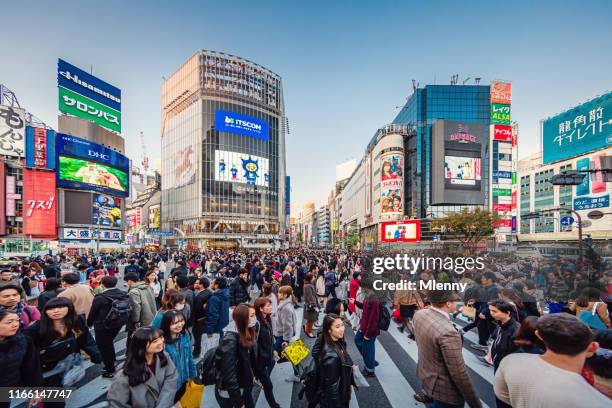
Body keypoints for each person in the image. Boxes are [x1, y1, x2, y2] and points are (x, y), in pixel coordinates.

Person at [494, 313, 609, 408]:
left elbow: (501, 395)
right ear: (593, 347)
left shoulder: (511, 362)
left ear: (539, 335)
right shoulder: (600, 402)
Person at [24, 297, 101, 408]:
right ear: (45, 311)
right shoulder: (36, 329)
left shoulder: (77, 321)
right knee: (55, 402)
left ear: (69, 308)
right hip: (47, 370)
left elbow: (85, 339)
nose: (56, 311)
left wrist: (95, 354)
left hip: (69, 363)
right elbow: (27, 354)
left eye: (60, 307)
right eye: (51, 308)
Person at [413, 290, 482, 408]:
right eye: (456, 301)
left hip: (426, 372)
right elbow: (459, 372)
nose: (458, 304)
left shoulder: (420, 314)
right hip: (445, 389)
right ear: (448, 303)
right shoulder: (448, 332)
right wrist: (475, 403)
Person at [107, 327, 178, 408]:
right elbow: (117, 404)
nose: (161, 342)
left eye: (161, 337)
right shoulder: (123, 377)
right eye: (155, 341)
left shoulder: (164, 356)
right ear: (141, 346)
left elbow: (171, 379)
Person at [214, 303, 257, 408]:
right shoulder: (230, 341)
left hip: (243, 385)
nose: (255, 318)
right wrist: (238, 403)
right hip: (230, 393)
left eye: (254, 314)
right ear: (242, 319)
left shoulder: (246, 331)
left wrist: (251, 376)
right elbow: (230, 376)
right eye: (251, 316)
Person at [87, 276, 131, 378]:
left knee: (104, 347)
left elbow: (93, 313)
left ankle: (110, 369)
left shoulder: (100, 298)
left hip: (103, 326)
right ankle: (112, 360)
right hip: (118, 323)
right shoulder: (123, 294)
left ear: (102, 284)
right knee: (108, 343)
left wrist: (89, 324)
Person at [0, 310, 43, 408]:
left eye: (17, 320)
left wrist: (36, 391)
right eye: (9, 322)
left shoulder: (23, 340)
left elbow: (31, 367)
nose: (15, 324)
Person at [318, 314, 355, 408]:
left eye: (342, 325)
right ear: (329, 330)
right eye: (337, 327)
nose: (342, 329)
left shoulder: (337, 340)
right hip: (337, 399)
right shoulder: (331, 355)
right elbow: (331, 387)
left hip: (341, 389)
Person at [160, 310, 197, 403]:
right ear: (167, 324)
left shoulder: (185, 335)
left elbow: (189, 356)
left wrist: (193, 374)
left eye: (181, 321)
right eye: (175, 323)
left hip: (184, 378)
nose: (180, 325)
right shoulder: (162, 343)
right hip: (170, 385)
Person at [253, 297, 281, 408]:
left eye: (271, 305)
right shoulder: (256, 324)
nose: (271, 307)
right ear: (260, 308)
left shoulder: (267, 319)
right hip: (257, 362)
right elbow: (253, 345)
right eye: (268, 306)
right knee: (267, 385)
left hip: (264, 359)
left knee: (264, 385)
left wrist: (273, 350)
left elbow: (269, 338)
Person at [353, 275, 380, 377]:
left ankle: (370, 370)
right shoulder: (368, 296)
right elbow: (364, 308)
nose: (361, 288)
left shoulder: (373, 299)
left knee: (368, 347)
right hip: (364, 326)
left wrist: (368, 333)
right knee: (358, 341)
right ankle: (371, 361)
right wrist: (355, 302)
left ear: (366, 287)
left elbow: (373, 319)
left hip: (369, 329)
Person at [487, 300, 520, 374]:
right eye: (490, 310)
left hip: (505, 367)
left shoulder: (515, 330)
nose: (491, 313)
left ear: (508, 313)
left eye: (494, 311)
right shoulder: (500, 323)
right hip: (497, 361)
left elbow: (516, 353)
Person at [276, 286, 299, 382]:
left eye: (279, 293)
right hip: (285, 334)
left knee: (273, 353)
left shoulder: (285, 308)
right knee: (294, 355)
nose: (277, 294)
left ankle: (297, 374)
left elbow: (287, 325)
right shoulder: (286, 304)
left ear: (285, 295)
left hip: (284, 335)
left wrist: (285, 339)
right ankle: (297, 374)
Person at [126, 272, 157, 342]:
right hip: (151, 316)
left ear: (130, 281)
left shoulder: (133, 292)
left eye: (126, 281)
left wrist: (135, 321)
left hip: (142, 320)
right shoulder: (148, 286)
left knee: (135, 341)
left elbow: (136, 308)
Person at [204, 277, 230, 344]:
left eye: (212, 283)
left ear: (216, 285)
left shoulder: (215, 298)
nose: (211, 284)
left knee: (213, 345)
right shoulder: (225, 294)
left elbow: (213, 315)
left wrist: (210, 330)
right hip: (222, 323)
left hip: (215, 326)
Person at [193, 276, 213, 357]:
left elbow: (197, 310)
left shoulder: (200, 296)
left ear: (201, 285)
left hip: (199, 319)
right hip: (206, 318)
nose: (196, 284)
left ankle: (196, 352)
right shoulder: (209, 292)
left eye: (197, 283)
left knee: (197, 336)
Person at [303, 273, 318, 338]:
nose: (314, 278)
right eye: (313, 277)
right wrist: (314, 305)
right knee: (311, 319)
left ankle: (306, 328)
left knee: (310, 319)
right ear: (310, 279)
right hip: (311, 305)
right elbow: (310, 296)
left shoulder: (307, 285)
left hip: (309, 304)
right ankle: (309, 332)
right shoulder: (308, 286)